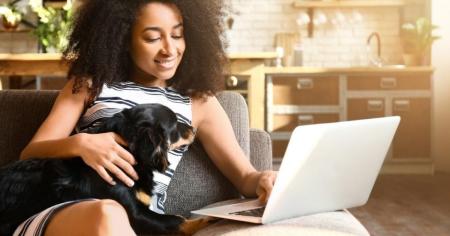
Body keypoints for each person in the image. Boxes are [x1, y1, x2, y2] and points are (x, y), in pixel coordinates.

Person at [15, 0, 277, 235]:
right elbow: (31, 153)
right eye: (152, 38)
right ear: (124, 39)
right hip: (65, 214)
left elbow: (245, 177)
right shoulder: (90, 85)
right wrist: (82, 144)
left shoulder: (200, 103)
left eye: (177, 35)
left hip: (140, 222)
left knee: (114, 215)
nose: (169, 49)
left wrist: (265, 179)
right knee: (107, 212)